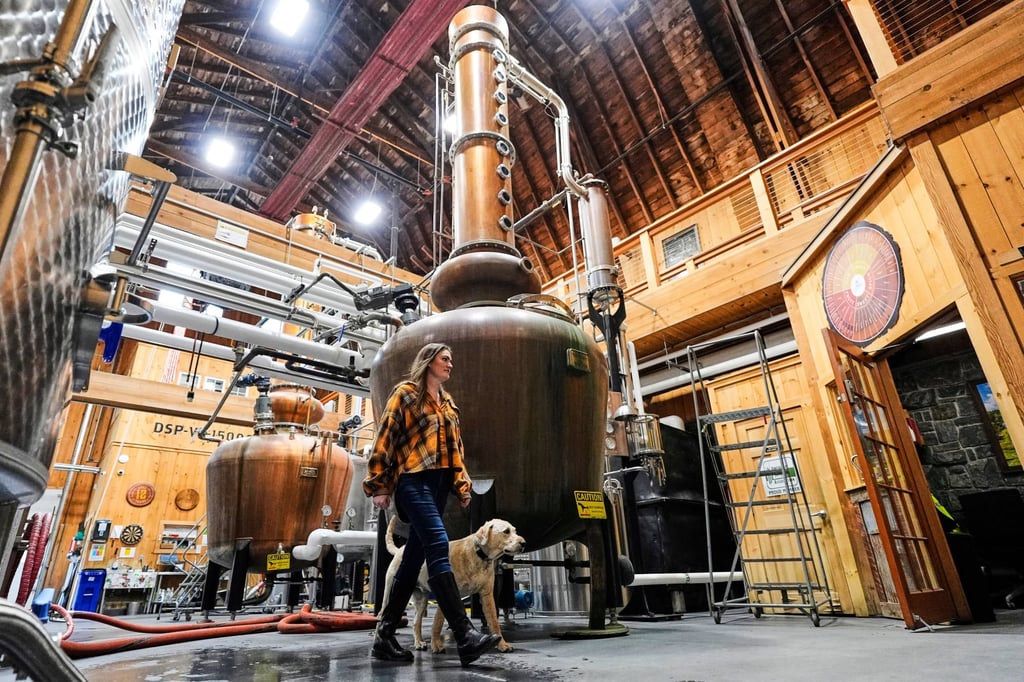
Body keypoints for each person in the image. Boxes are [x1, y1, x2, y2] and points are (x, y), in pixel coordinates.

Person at [362, 342, 500, 666]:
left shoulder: (448, 404)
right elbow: (385, 437)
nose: (450, 364)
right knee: (438, 544)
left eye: (451, 359)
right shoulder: (406, 394)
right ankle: (465, 635)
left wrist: (462, 486)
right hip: (413, 481)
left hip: (438, 487)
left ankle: (383, 636)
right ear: (428, 362)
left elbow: (456, 451)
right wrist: (380, 484)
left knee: (414, 557)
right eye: (444, 359)